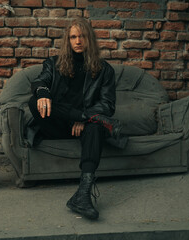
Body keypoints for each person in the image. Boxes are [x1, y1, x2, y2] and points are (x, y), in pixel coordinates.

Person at [28, 17, 120, 220]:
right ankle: (83, 118)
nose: (78, 41)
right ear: (68, 41)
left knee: (96, 126)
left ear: (89, 39)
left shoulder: (105, 70)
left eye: (82, 36)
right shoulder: (53, 63)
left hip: (85, 128)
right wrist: (43, 92)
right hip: (58, 125)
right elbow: (40, 81)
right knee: (34, 101)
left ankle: (83, 195)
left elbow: (107, 105)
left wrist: (84, 120)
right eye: (73, 37)